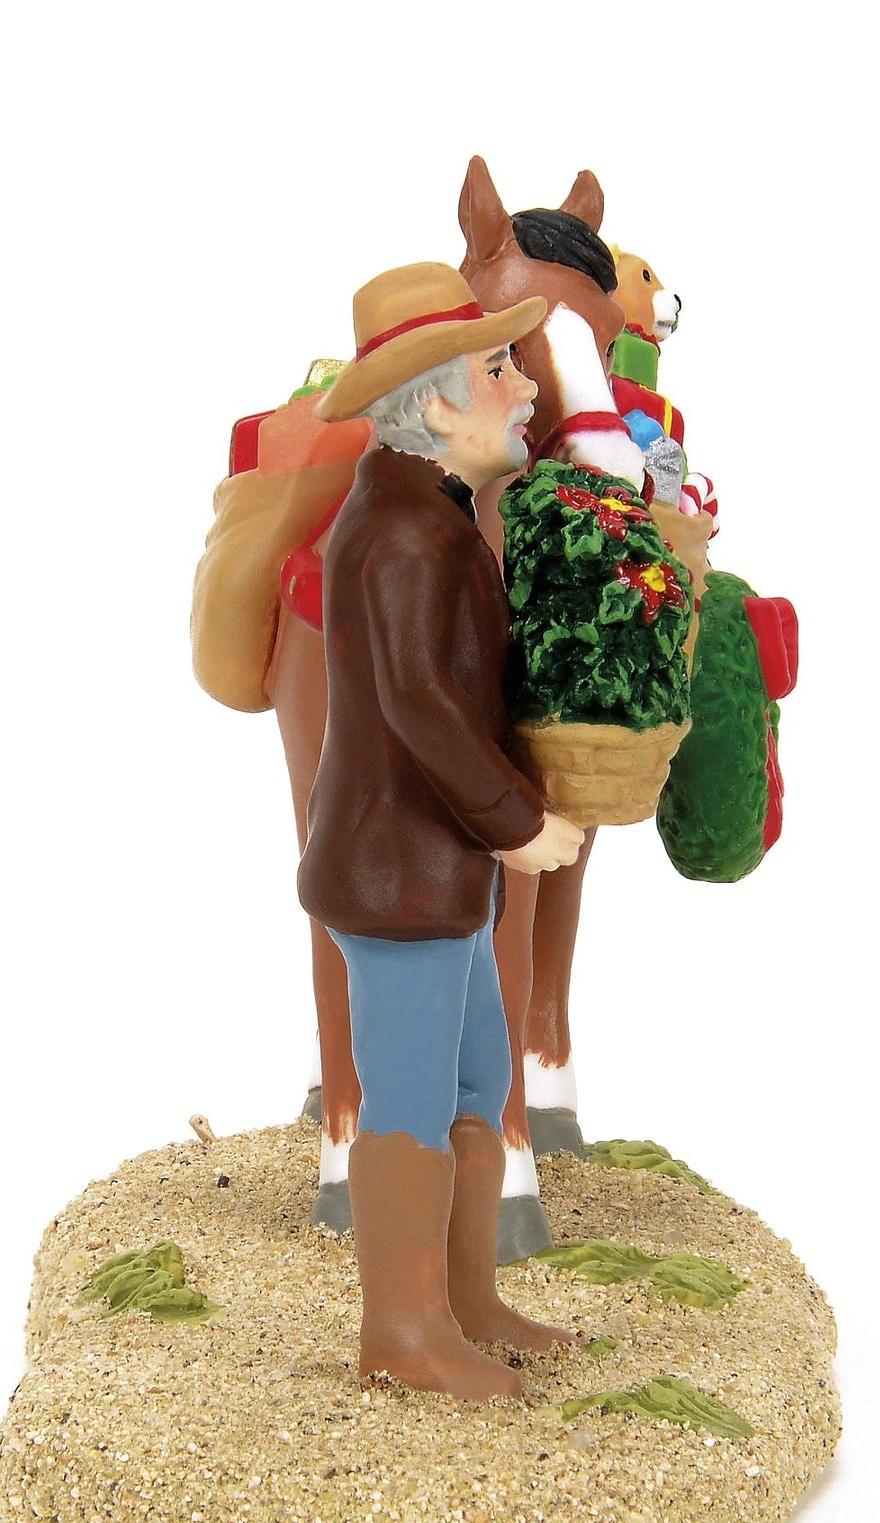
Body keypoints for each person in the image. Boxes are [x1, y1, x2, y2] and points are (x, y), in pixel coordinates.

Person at [301, 263, 584, 1401]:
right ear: (433, 402)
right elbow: (420, 706)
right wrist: (517, 823)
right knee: (414, 1099)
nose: (527, 388)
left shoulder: (433, 515)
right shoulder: (405, 540)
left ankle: (465, 1301)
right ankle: (404, 1330)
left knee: (476, 1081)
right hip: (401, 878)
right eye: (499, 368)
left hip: (440, 874)